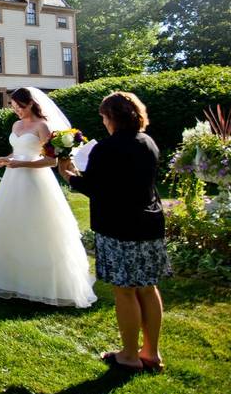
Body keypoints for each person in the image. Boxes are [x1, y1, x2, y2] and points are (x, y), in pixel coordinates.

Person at [60, 91, 170, 373]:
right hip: (150, 223)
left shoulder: (107, 149)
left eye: (104, 117)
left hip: (120, 227)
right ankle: (152, 353)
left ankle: (130, 355)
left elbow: (95, 187)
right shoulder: (148, 142)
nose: (104, 122)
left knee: (125, 292)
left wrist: (69, 174)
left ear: (112, 118)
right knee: (147, 288)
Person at [0, 87, 97, 309]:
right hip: (13, 181)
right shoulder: (16, 125)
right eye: (13, 107)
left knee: (37, 228)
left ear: (31, 104)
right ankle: (12, 277)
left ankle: (40, 282)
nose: (17, 111)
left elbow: (51, 161)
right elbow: (18, 150)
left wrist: (21, 163)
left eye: (20, 107)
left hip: (35, 182)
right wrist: (7, 158)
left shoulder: (43, 126)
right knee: (12, 227)